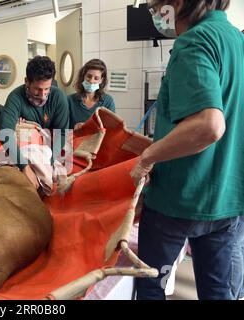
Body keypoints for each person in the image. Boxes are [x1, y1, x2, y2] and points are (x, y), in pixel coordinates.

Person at [130, 0, 244, 300]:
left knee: (151, 286)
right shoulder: (237, 40)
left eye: (155, 6)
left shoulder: (194, 41)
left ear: (178, 3)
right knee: (219, 291)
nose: (155, 15)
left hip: (179, 199)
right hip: (227, 200)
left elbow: (209, 125)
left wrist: (147, 157)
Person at [0, 56, 69, 189]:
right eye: (37, 89)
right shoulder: (15, 97)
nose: (42, 94)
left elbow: (62, 134)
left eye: (47, 89)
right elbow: (5, 134)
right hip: (24, 149)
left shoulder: (58, 97)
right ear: (27, 82)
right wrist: (25, 167)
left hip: (49, 148)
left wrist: (50, 162)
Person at [67, 59, 115, 130]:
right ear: (83, 76)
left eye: (96, 78)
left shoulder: (108, 101)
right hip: (74, 140)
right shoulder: (69, 101)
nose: (91, 81)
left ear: (101, 80)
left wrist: (91, 129)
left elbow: (111, 130)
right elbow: (60, 132)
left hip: (99, 141)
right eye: (89, 76)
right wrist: (74, 128)